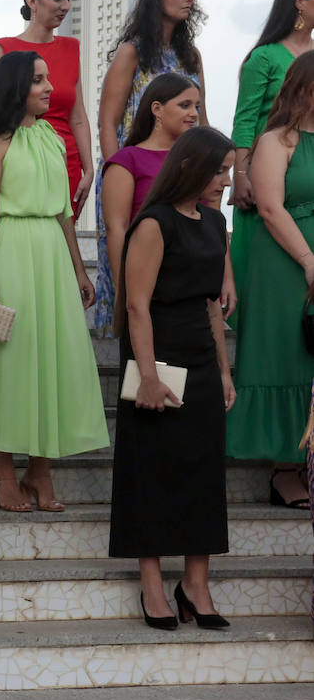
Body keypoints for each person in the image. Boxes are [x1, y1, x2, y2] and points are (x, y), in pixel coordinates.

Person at [0, 52, 110, 513]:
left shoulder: (49, 134)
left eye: (49, 79)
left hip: (50, 252)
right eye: (39, 81)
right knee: (11, 360)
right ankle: (4, 471)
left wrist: (79, 268)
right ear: (15, 89)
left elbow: (65, 210)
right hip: (9, 252)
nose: (50, 88)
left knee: (54, 357)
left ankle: (41, 472)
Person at [110, 127, 237, 630]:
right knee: (153, 469)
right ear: (190, 167)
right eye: (220, 171)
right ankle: (151, 583)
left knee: (203, 471)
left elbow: (212, 303)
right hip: (157, 357)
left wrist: (224, 370)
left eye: (228, 171)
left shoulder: (213, 222)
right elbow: (136, 305)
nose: (226, 182)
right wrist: (146, 376)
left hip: (202, 357)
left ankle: (195, 584)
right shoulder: (153, 224)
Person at [94, 0, 208, 335]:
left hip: (182, 176)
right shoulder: (133, 53)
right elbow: (108, 121)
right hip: (133, 176)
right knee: (129, 271)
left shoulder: (191, 55)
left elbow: (201, 121)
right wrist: (118, 173)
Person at [230, 51, 314, 508]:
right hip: (285, 257)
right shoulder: (277, 140)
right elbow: (269, 206)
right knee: (288, 353)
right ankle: (284, 468)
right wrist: (308, 259)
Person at [230, 0, 314, 327]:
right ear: (300, 2)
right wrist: (241, 174)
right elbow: (246, 120)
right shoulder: (264, 57)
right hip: (268, 178)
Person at [0, 0, 93, 218]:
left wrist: (89, 169)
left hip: (67, 162)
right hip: (20, 161)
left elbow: (78, 116)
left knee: (61, 242)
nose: (65, 6)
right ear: (32, 2)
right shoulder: (4, 49)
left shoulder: (71, 48)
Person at [100, 73, 202, 329]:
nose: (194, 113)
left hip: (194, 281)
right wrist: (123, 291)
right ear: (157, 109)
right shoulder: (127, 160)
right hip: (147, 281)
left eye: (197, 107)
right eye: (185, 105)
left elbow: (209, 221)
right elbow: (116, 229)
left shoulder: (198, 161)